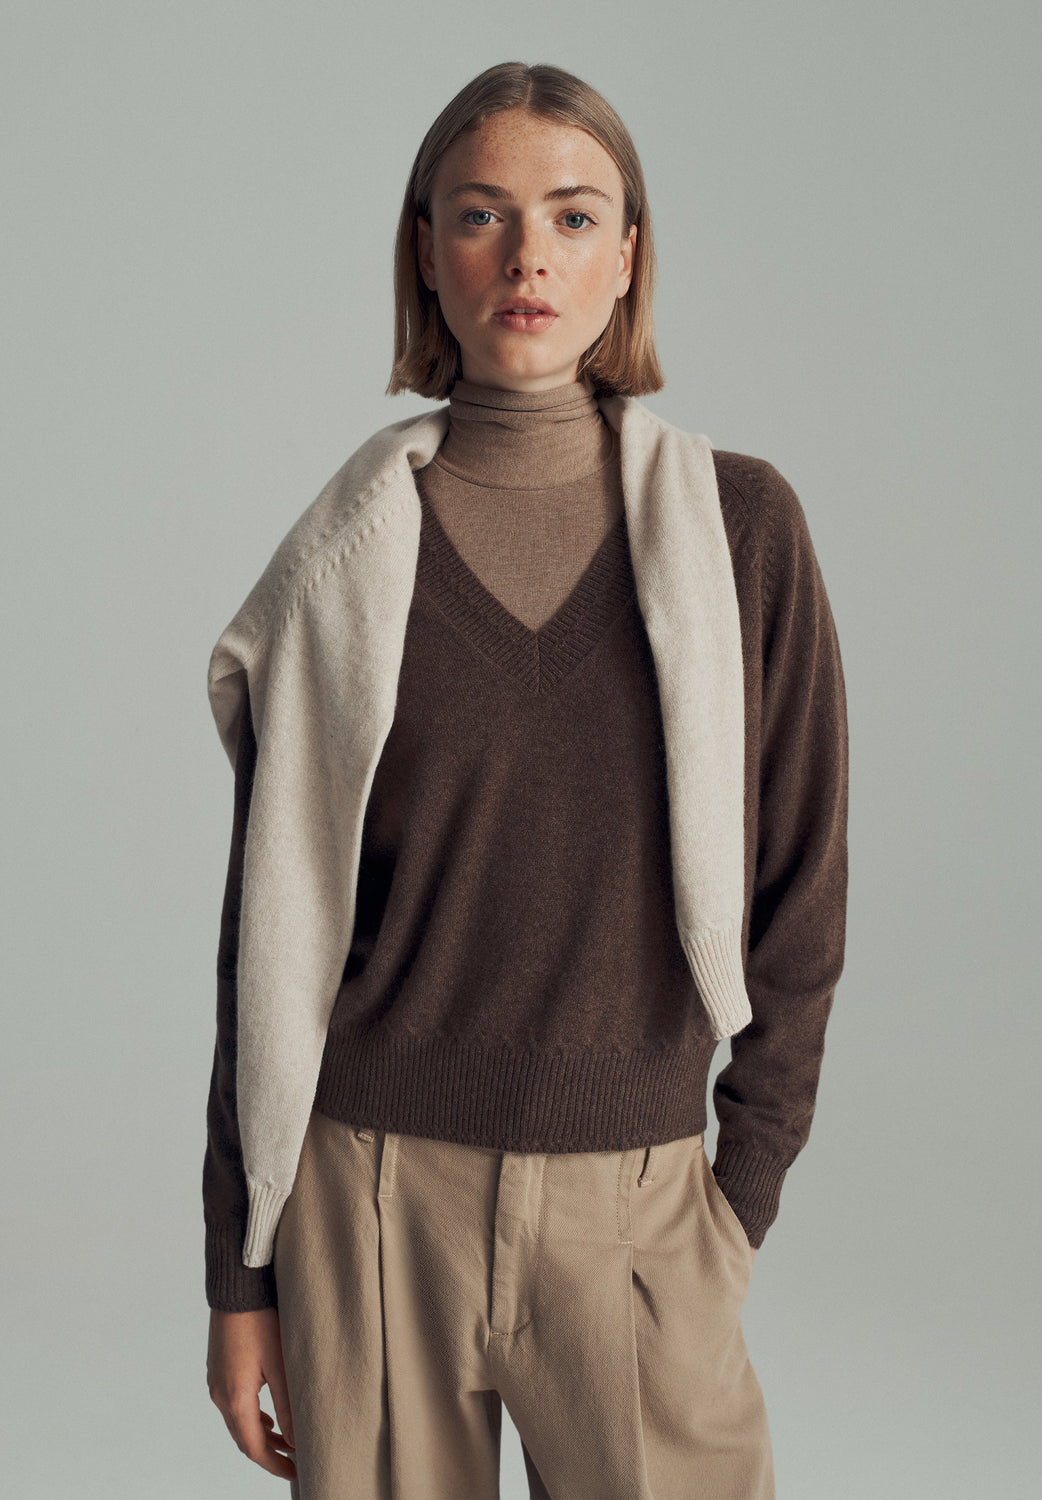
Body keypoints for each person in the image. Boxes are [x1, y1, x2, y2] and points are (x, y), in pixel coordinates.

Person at [202, 60, 848, 1500]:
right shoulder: (339, 559)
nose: (527, 257)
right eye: (481, 214)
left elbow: (800, 899)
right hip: (365, 1197)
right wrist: (240, 1274)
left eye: (572, 215)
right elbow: (265, 939)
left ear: (627, 255)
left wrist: (736, 1196)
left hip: (639, 1198)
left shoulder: (742, 530)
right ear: (427, 253)